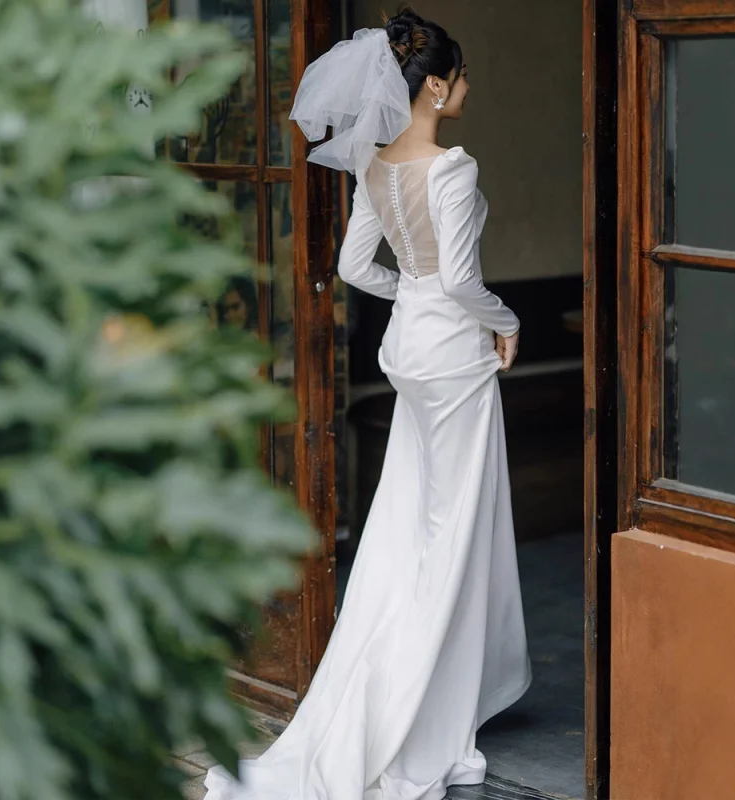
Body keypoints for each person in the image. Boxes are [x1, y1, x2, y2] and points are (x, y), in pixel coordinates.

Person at [204, 8, 531, 799]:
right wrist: (505, 320)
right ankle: (419, 703)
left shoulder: (375, 166)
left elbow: (358, 267)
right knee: (453, 530)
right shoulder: (453, 169)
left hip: (409, 351)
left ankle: (412, 679)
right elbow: (458, 278)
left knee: (410, 521)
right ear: (438, 88)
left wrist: (409, 296)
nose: (465, 89)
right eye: (459, 78)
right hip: (452, 357)